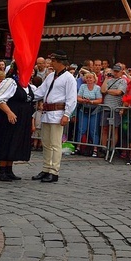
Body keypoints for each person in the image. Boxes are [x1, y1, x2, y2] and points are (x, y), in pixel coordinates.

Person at [0, 62, 37, 181]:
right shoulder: (10, 82)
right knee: (6, 141)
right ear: (18, 71)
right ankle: (2, 171)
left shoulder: (28, 85)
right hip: (9, 117)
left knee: (15, 142)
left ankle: (9, 170)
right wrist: (9, 112)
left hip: (22, 118)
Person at [31, 50, 77, 183]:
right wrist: (29, 96)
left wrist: (67, 114)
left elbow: (71, 98)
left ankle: (54, 171)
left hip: (58, 113)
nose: (51, 63)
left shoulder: (69, 78)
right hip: (47, 112)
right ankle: (46, 168)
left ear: (60, 62)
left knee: (56, 144)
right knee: (46, 142)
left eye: (53, 61)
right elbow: (41, 91)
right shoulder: (50, 76)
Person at [100, 64, 127, 155]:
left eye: (117, 71)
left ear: (120, 72)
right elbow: (103, 90)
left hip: (115, 108)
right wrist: (106, 79)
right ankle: (103, 148)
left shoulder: (122, 81)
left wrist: (108, 91)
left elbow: (119, 92)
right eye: (114, 71)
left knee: (114, 128)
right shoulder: (109, 80)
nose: (115, 73)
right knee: (104, 128)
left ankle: (112, 148)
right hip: (106, 107)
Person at [75, 71, 102, 157]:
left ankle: (95, 149)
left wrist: (91, 101)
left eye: (91, 78)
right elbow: (78, 97)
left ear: (94, 79)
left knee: (93, 130)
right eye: (87, 77)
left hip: (94, 111)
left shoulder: (97, 88)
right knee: (81, 129)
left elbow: (99, 100)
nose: (89, 79)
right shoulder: (83, 86)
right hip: (84, 109)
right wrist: (84, 100)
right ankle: (78, 147)